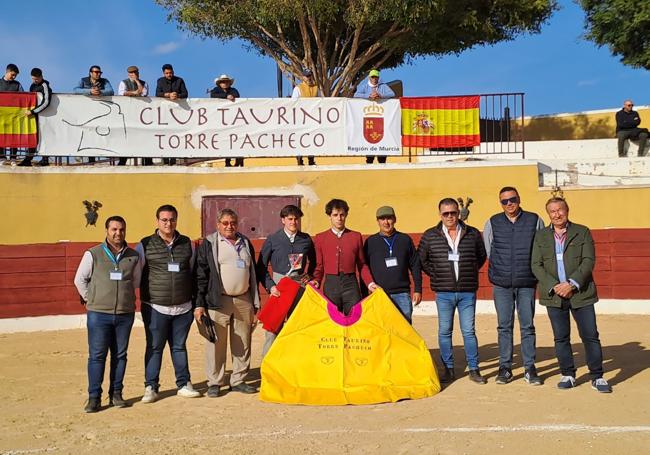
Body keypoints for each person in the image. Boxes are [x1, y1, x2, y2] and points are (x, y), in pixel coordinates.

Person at [531, 197, 612, 393]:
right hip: (554, 294)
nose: (557, 214)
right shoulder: (541, 236)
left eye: (560, 210)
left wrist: (572, 284)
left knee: (590, 335)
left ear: (567, 210)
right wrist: (555, 286)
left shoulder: (581, 231)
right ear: (548, 214)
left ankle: (597, 376)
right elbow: (536, 265)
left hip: (581, 293)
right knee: (561, 337)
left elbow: (588, 260)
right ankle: (568, 374)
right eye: (552, 211)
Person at [73, 216, 141, 413]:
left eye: (121, 229)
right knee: (97, 356)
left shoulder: (133, 256)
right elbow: (80, 280)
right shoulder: (93, 253)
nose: (118, 233)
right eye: (114, 229)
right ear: (106, 230)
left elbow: (135, 282)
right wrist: (91, 299)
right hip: (98, 315)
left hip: (124, 314)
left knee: (120, 355)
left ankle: (116, 393)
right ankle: (94, 397)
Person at [418, 197, 487, 384]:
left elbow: (481, 256)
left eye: (453, 213)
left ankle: (474, 368)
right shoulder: (430, 235)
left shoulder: (472, 233)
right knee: (444, 331)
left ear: (459, 213)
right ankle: (448, 369)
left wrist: (470, 271)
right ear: (440, 214)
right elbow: (422, 260)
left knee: (468, 331)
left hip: (466, 290)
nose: (450, 216)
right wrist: (437, 274)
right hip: (444, 291)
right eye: (445, 213)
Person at [136, 205, 201, 403]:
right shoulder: (145, 244)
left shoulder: (187, 244)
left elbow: (192, 273)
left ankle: (183, 384)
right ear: (157, 221)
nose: (168, 223)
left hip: (183, 307)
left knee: (179, 346)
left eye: (172, 219)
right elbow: (137, 274)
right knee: (155, 347)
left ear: (176, 220)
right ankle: (151, 387)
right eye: (164, 220)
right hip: (156, 306)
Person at [194, 208, 260, 397]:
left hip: (243, 298)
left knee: (243, 341)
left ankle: (238, 379)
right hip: (218, 300)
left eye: (233, 223)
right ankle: (215, 381)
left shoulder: (245, 242)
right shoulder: (209, 243)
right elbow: (201, 275)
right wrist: (199, 304)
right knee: (215, 342)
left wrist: (255, 302)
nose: (229, 226)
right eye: (225, 223)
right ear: (218, 224)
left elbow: (252, 272)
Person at [483, 187, 545, 385]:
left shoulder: (535, 220)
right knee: (504, 326)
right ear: (500, 203)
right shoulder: (492, 222)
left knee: (527, 326)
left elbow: (541, 248)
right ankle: (505, 367)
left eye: (512, 199)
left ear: (519, 199)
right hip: (502, 284)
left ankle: (529, 367)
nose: (509, 203)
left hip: (526, 282)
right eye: (504, 201)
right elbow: (488, 249)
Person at [256, 204, 316, 356]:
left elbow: (315, 263)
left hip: (298, 285)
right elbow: (261, 266)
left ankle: (294, 362)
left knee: (297, 325)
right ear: (283, 220)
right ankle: (268, 363)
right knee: (273, 327)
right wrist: (271, 286)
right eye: (290, 219)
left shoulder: (305, 239)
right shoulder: (273, 239)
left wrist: (308, 277)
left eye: (296, 219)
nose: (293, 222)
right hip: (279, 285)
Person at [312, 199, 376, 315]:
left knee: (354, 319)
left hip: (350, 284)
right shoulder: (320, 238)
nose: (339, 218)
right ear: (329, 216)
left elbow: (362, 264)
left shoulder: (355, 236)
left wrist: (370, 283)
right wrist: (317, 280)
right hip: (331, 284)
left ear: (346, 215)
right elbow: (319, 266)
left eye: (342, 215)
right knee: (332, 322)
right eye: (335, 215)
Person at [363, 206, 422, 324]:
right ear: (377, 221)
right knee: (382, 329)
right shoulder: (370, 242)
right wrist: (365, 294)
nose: (386, 222)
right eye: (382, 219)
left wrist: (418, 289)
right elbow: (364, 268)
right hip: (379, 294)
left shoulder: (405, 239)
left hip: (402, 294)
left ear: (394, 219)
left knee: (404, 329)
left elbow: (415, 265)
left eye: (389, 218)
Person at [73, 65, 114, 164]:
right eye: (96, 72)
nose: (98, 74)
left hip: (102, 112)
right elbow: (75, 90)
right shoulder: (83, 80)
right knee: (87, 134)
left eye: (100, 72)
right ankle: (90, 159)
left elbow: (111, 91)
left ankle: (107, 157)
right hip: (86, 112)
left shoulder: (105, 81)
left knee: (102, 134)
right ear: (90, 73)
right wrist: (89, 91)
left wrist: (100, 92)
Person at [353, 69, 395, 164]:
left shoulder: (383, 86)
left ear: (378, 78)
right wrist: (368, 95)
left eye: (376, 77)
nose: (374, 79)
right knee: (368, 139)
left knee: (383, 138)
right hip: (368, 118)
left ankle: (382, 161)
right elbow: (356, 95)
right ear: (369, 78)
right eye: (373, 77)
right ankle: (369, 160)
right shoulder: (365, 87)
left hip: (382, 118)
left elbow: (392, 94)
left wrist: (380, 95)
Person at [18, 68, 53, 167]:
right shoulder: (32, 86)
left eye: (36, 79)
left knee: (42, 137)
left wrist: (33, 111)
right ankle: (28, 159)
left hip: (43, 117)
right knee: (32, 137)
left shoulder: (45, 86)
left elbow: (46, 102)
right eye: (33, 79)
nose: (34, 81)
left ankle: (45, 159)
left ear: (41, 77)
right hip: (33, 117)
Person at [155, 64, 188, 165]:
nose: (169, 75)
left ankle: (173, 160)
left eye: (170, 73)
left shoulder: (179, 80)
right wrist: (167, 95)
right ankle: (165, 160)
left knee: (175, 136)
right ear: (163, 73)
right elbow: (157, 93)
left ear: (173, 72)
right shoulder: (160, 81)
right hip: (164, 113)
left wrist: (177, 95)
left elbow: (185, 94)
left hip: (178, 113)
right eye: (167, 73)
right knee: (164, 136)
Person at [117, 66, 149, 165]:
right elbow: (121, 93)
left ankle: (148, 161)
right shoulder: (123, 82)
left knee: (144, 137)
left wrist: (137, 82)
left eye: (135, 73)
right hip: (128, 113)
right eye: (131, 73)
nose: (133, 74)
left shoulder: (144, 83)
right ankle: (122, 161)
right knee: (126, 138)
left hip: (141, 114)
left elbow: (144, 93)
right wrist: (134, 93)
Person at [210, 74, 244, 167]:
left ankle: (239, 160)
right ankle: (227, 161)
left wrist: (229, 96)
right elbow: (213, 95)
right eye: (222, 82)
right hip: (222, 120)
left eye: (226, 82)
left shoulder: (234, 90)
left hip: (234, 119)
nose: (224, 83)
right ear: (219, 83)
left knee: (237, 139)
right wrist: (226, 96)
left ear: (229, 83)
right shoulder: (215, 90)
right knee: (225, 141)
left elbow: (237, 95)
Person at [291, 69, 320, 166]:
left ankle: (311, 159)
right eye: (307, 76)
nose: (309, 78)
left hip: (313, 118)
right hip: (300, 119)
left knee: (312, 139)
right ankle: (300, 159)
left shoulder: (316, 88)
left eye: (310, 75)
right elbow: (293, 104)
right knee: (300, 139)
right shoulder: (298, 89)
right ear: (303, 77)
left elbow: (321, 101)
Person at [0, 63, 24, 165]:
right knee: (1, 135)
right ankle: (1, 157)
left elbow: (23, 98)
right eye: (12, 75)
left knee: (14, 136)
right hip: (1, 117)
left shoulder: (17, 85)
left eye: (15, 76)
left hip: (14, 117)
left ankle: (13, 157)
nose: (14, 77)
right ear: (7, 72)